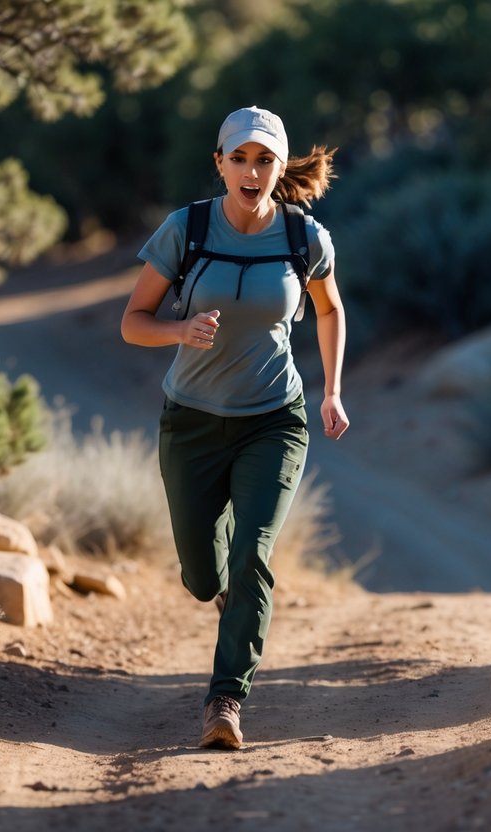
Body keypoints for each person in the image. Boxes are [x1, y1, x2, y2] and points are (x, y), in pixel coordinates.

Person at [121, 105, 349, 750]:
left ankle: (226, 701)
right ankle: (223, 594)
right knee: (202, 575)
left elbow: (329, 311)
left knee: (254, 553)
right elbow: (133, 319)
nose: (252, 171)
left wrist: (331, 390)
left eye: (265, 160)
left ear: (281, 167)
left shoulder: (305, 237)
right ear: (219, 163)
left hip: (275, 419)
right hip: (190, 420)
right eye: (240, 158)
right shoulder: (186, 229)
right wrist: (176, 330)